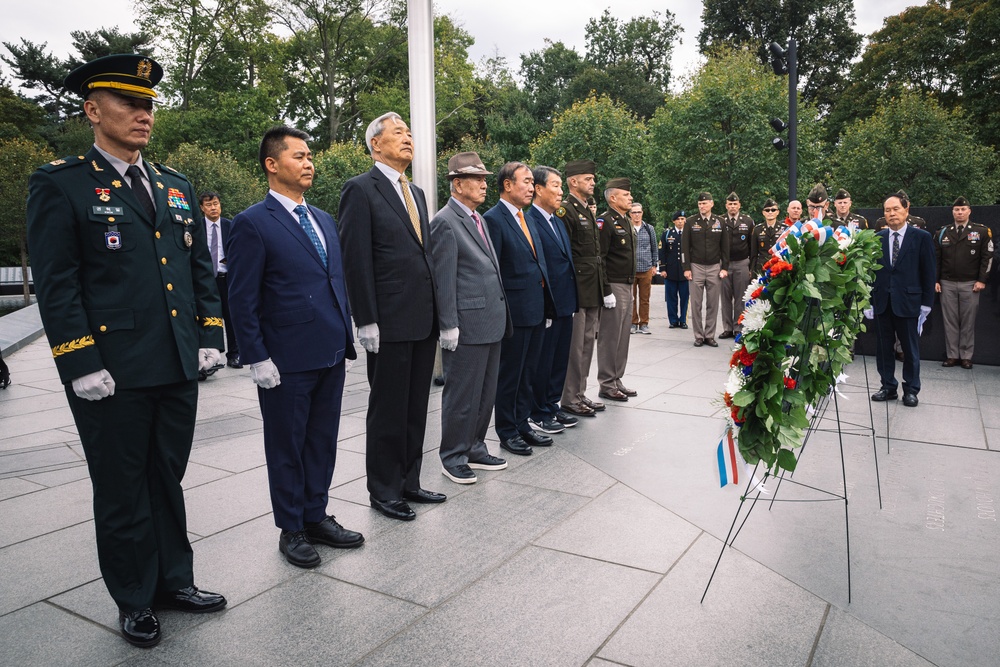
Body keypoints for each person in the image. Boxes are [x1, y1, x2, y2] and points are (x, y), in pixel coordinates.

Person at [25, 54, 226, 648]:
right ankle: (134, 598)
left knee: (166, 476)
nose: (144, 114)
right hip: (111, 368)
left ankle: (174, 580)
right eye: (129, 103)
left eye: (149, 105)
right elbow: (57, 282)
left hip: (175, 362)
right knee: (121, 486)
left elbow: (197, 273)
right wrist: (79, 360)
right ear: (92, 110)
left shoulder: (175, 185)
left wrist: (211, 336)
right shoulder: (61, 182)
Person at [227, 126, 363, 568]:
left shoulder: (323, 218)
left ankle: (316, 513)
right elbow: (241, 297)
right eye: (299, 156)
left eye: (310, 156)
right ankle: (292, 527)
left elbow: (332, 281)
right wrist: (256, 356)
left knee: (321, 440)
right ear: (272, 164)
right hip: (285, 359)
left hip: (329, 347)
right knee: (287, 444)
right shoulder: (253, 222)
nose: (309, 163)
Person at [339, 112, 445, 522]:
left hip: (422, 317)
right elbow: (356, 258)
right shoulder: (360, 190)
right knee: (388, 408)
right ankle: (384, 490)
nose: (408, 138)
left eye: (410, 133)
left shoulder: (415, 192)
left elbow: (424, 256)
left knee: (417, 405)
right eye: (398, 133)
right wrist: (365, 318)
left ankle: (409, 481)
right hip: (388, 320)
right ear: (375, 144)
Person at [428, 152, 511, 484]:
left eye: (484, 178)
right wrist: (447, 324)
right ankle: (453, 455)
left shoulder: (477, 218)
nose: (483, 184)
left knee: (485, 392)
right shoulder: (445, 222)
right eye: (476, 179)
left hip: (490, 321)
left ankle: (475, 446)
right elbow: (444, 278)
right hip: (466, 324)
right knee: (462, 395)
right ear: (457, 184)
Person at [485, 162, 554, 456]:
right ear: (507, 185)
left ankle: (522, 423)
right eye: (525, 181)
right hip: (514, 312)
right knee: (511, 373)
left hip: (536, 308)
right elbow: (494, 270)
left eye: (531, 182)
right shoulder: (494, 219)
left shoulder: (526, 218)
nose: (530, 187)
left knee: (529, 371)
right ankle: (507, 430)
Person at [870, 192, 936, 408]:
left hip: (909, 303)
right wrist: (868, 300)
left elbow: (928, 272)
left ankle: (911, 389)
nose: (891, 214)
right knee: (883, 348)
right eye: (887, 210)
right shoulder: (876, 239)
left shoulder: (922, 238)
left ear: (906, 210)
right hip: (882, 302)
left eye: (895, 209)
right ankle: (888, 386)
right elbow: (871, 273)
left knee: (910, 349)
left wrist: (926, 304)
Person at [527, 166, 579, 434]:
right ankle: (538, 412)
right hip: (547, 304)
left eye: (561, 186)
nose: (560, 192)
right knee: (543, 361)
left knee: (559, 359)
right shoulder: (530, 221)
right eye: (556, 186)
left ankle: (551, 405)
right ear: (538, 189)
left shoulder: (557, 221)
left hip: (565, 302)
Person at [557, 159, 612, 418]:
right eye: (588, 179)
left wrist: (603, 286)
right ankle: (569, 397)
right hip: (578, 287)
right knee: (575, 346)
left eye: (593, 178)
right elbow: (565, 254)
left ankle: (579, 393)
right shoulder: (565, 211)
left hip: (592, 287)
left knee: (588, 343)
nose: (593, 183)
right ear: (573, 181)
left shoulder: (587, 210)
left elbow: (597, 253)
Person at [935, 196, 993, 369]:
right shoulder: (943, 232)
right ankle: (952, 355)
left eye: (963, 209)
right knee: (950, 320)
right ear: (952, 212)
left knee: (968, 321)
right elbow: (936, 259)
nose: (959, 212)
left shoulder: (981, 231)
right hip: (947, 283)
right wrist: (935, 280)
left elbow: (987, 258)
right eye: (956, 210)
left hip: (971, 284)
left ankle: (966, 356)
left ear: (969, 211)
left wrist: (982, 280)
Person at [596, 178, 636, 401]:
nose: (630, 198)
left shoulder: (626, 220)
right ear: (613, 198)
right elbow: (600, 258)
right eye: (625, 194)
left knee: (622, 336)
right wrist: (606, 289)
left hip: (628, 283)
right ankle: (606, 382)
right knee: (610, 336)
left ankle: (616, 377)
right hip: (615, 284)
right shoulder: (605, 221)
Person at [199, 191, 241, 373]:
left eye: (216, 203)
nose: (213, 207)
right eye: (209, 205)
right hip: (205, 280)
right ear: (202, 208)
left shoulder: (230, 226)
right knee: (207, 318)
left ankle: (234, 354)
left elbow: (239, 252)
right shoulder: (196, 227)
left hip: (226, 279)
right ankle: (210, 354)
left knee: (231, 317)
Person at [682, 191, 729, 347]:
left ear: (712, 203)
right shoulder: (690, 222)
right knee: (696, 303)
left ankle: (709, 335)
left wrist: (725, 268)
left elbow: (725, 247)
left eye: (705, 203)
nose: (702, 206)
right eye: (700, 204)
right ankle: (698, 336)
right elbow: (684, 247)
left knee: (713, 303)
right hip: (696, 267)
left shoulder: (720, 221)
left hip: (715, 266)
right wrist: (686, 268)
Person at [719, 192, 754, 339]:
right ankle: (727, 328)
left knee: (741, 298)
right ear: (726, 205)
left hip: (741, 263)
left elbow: (752, 246)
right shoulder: (719, 221)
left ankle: (738, 327)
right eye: (730, 204)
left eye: (735, 204)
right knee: (725, 297)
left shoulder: (748, 221)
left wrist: (751, 267)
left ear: (739, 205)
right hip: (724, 265)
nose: (732, 206)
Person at [630, 202, 658, 334]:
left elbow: (654, 247)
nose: (636, 215)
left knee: (644, 298)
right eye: (634, 212)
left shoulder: (649, 228)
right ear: (630, 214)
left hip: (646, 267)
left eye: (638, 212)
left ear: (642, 213)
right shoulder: (626, 227)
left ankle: (644, 323)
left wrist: (654, 265)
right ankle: (633, 322)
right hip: (630, 269)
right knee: (631, 298)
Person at [659, 211, 688, 329]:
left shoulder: (688, 233)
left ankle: (683, 320)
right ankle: (673, 320)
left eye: (682, 218)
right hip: (670, 271)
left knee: (685, 298)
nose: (680, 221)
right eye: (678, 219)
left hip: (684, 272)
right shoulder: (667, 234)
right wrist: (662, 269)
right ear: (674, 221)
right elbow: (662, 252)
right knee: (671, 298)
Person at [750, 199, 783, 275]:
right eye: (767, 210)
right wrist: (752, 271)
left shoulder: (784, 229)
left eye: (773, 210)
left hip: (779, 266)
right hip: (762, 267)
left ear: (777, 212)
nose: (770, 212)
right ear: (763, 213)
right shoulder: (757, 230)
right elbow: (754, 254)